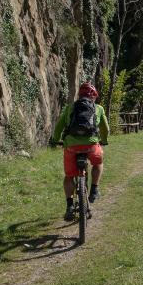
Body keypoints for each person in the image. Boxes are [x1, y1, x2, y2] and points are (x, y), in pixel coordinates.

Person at [52, 82, 109, 221]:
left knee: (69, 176)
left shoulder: (70, 108)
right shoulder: (99, 108)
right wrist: (104, 140)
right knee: (98, 162)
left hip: (71, 147)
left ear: (80, 95)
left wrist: (55, 140)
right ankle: (94, 189)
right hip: (91, 146)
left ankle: (70, 205)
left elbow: (59, 127)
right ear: (94, 96)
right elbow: (105, 129)